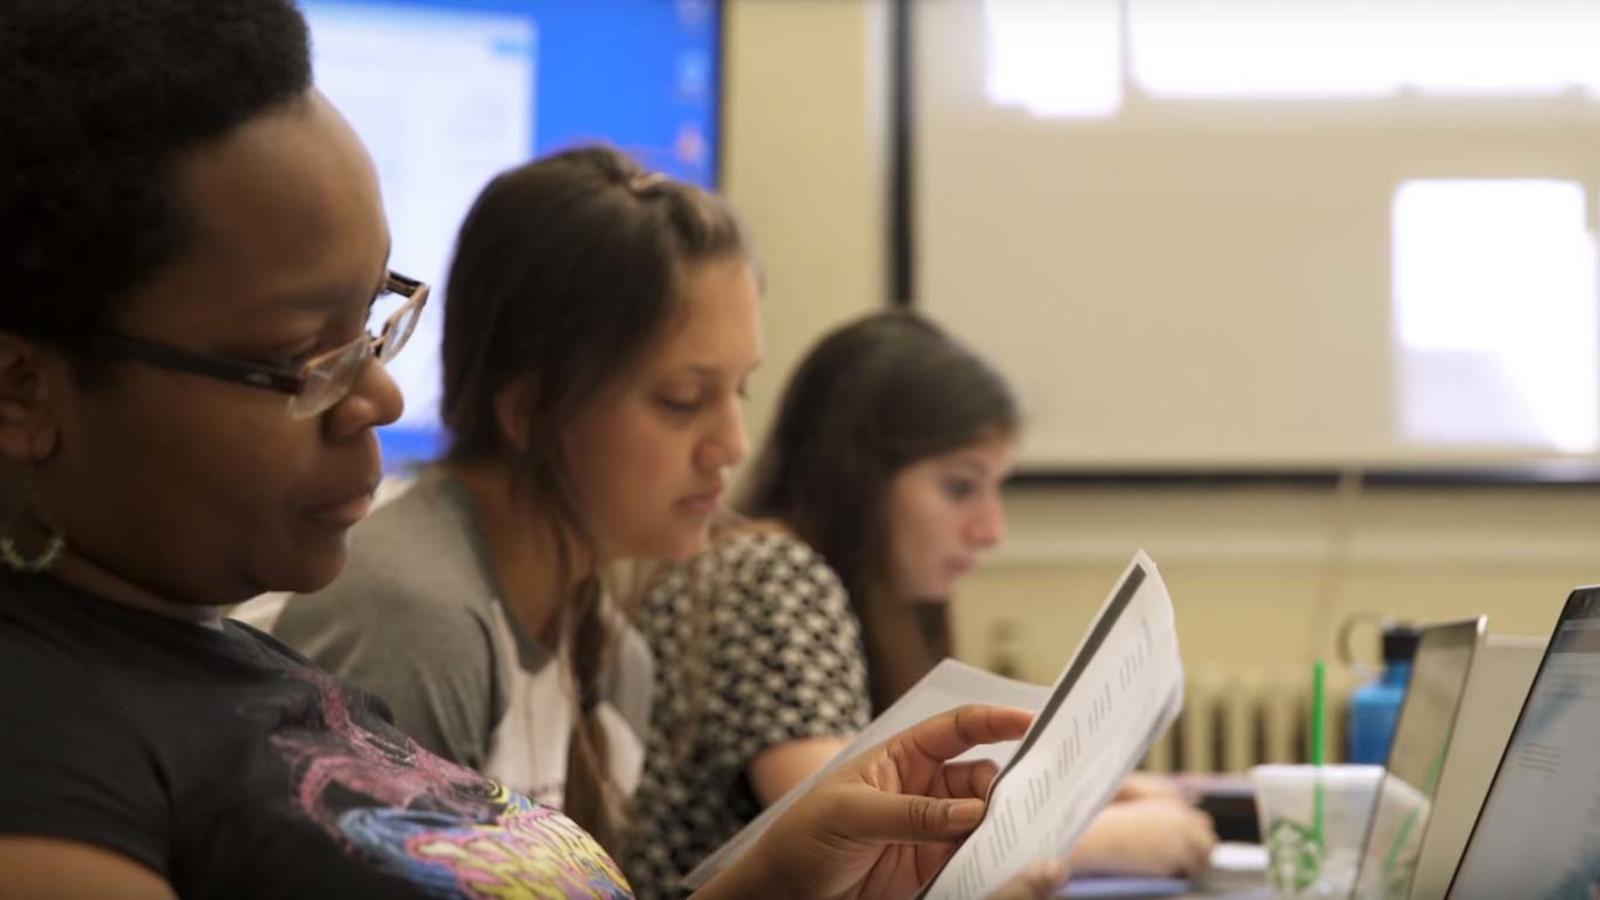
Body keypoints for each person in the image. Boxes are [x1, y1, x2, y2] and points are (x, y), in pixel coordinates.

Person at [0, 3, 1067, 897]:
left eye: (374, 316)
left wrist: (781, 878)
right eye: (297, 356)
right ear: (23, 389)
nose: (375, 390)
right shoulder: (54, 745)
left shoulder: (228, 656)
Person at [265, 145, 756, 855]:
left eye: (740, 389)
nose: (733, 444)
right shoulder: (418, 625)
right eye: (683, 400)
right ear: (528, 408)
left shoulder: (616, 662)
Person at [625, 311, 1217, 896]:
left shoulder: (795, 574)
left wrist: (1097, 788)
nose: (991, 530)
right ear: (859, 478)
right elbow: (852, 835)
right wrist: (1109, 839)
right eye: (961, 487)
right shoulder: (770, 573)